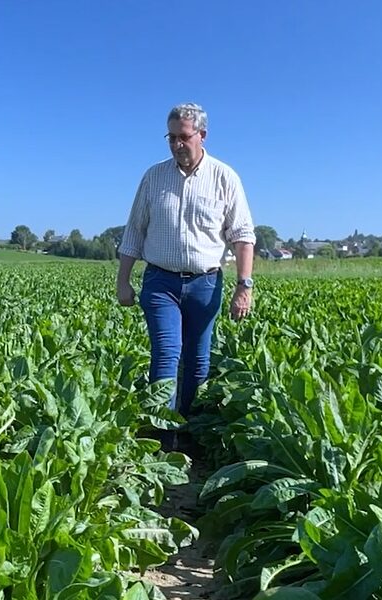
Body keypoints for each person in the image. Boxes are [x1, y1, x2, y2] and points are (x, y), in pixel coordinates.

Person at [115, 102, 256, 450]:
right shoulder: (153, 177)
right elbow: (135, 231)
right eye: (171, 137)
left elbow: (242, 236)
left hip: (205, 283)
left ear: (202, 135)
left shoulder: (225, 177)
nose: (177, 144)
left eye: (184, 137)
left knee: (198, 358)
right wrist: (123, 280)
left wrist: (244, 286)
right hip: (160, 281)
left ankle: (191, 426)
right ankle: (163, 436)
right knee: (166, 352)